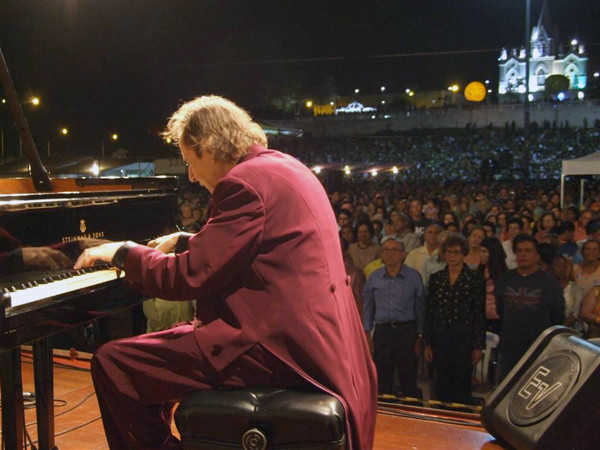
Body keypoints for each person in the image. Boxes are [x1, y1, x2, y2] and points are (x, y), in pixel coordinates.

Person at [74, 95, 377, 449]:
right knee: (166, 345)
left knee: (115, 363)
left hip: (280, 347)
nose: (190, 175)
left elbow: (187, 277)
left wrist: (123, 252)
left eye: (189, 161)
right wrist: (187, 240)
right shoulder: (284, 166)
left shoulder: (243, 183)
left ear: (209, 147)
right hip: (322, 339)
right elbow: (254, 249)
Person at [423, 234, 485, 405]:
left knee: (462, 382)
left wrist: (478, 345)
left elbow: (478, 313)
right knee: (441, 380)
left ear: (463, 253)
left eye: (456, 252)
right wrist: (427, 342)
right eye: (449, 252)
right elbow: (430, 311)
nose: (452, 256)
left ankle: (461, 419)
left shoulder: (474, 278)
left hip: (464, 338)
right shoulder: (436, 278)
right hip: (440, 337)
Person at [494, 234, 565, 382]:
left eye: (528, 250)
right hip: (510, 345)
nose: (523, 254)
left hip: (538, 346)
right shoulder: (505, 280)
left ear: (537, 255)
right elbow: (501, 308)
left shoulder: (549, 283)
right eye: (519, 250)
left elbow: (557, 315)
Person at [362, 236, 425, 398]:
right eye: (386, 250)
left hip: (407, 331)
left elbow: (420, 308)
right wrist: (367, 334)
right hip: (383, 332)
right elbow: (368, 308)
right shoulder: (374, 277)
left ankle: (412, 415)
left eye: (395, 250)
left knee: (408, 378)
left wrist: (420, 336)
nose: (390, 254)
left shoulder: (413, 277)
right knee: (382, 379)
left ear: (403, 254)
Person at [479, 237, 508, 334]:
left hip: (497, 319)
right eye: (480, 251)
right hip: (481, 317)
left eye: (484, 251)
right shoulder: (479, 271)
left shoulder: (503, 275)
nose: (481, 254)